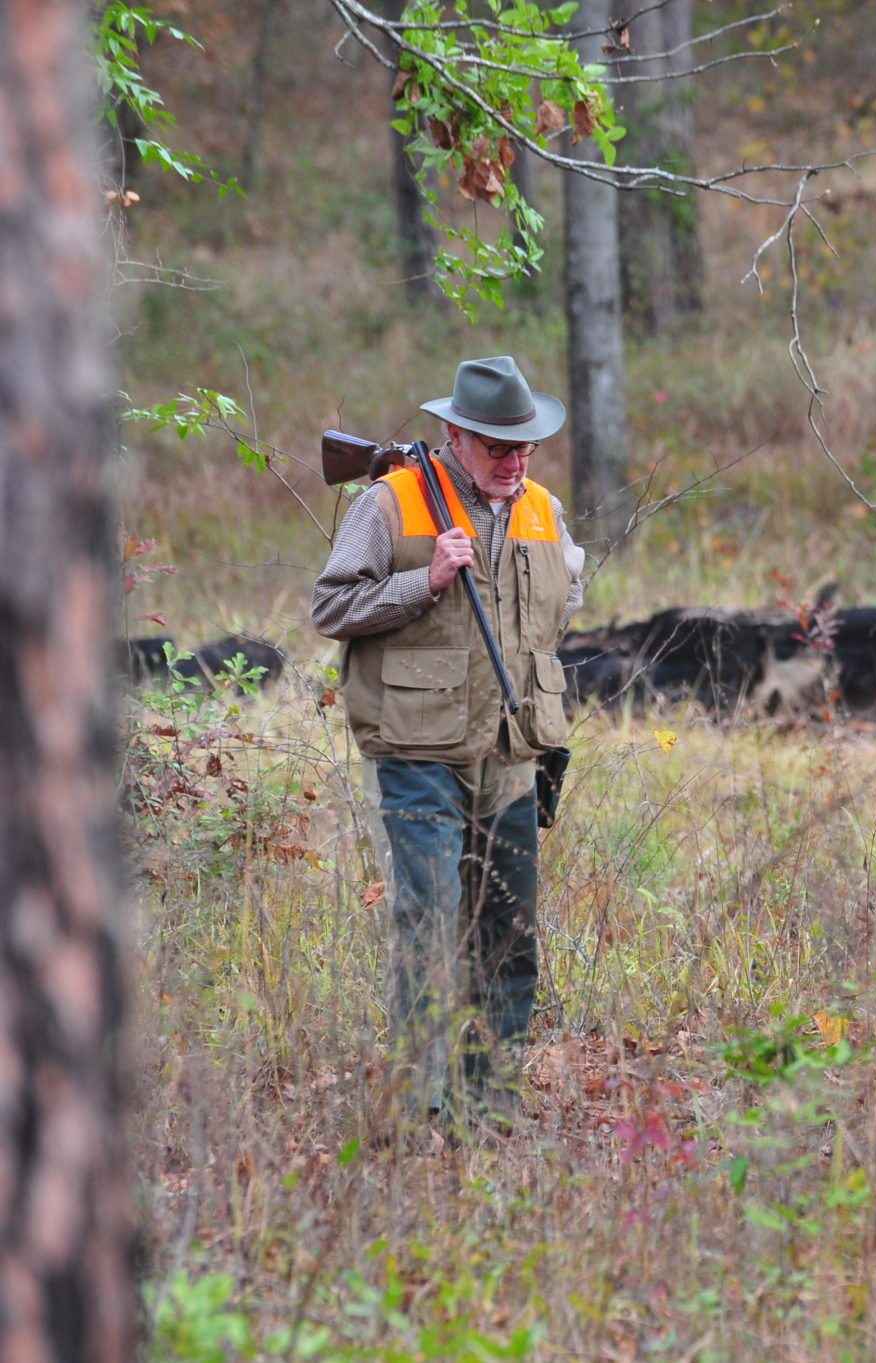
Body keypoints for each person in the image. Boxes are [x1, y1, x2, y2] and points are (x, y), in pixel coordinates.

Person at [312, 355, 585, 1131]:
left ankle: (487, 1106)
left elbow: (564, 602)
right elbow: (330, 605)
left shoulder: (542, 508)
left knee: (509, 933)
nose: (516, 460)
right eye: (499, 445)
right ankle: (413, 1108)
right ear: (454, 436)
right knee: (428, 927)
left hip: (510, 750)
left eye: (525, 445)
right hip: (417, 749)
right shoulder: (392, 500)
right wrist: (422, 581)